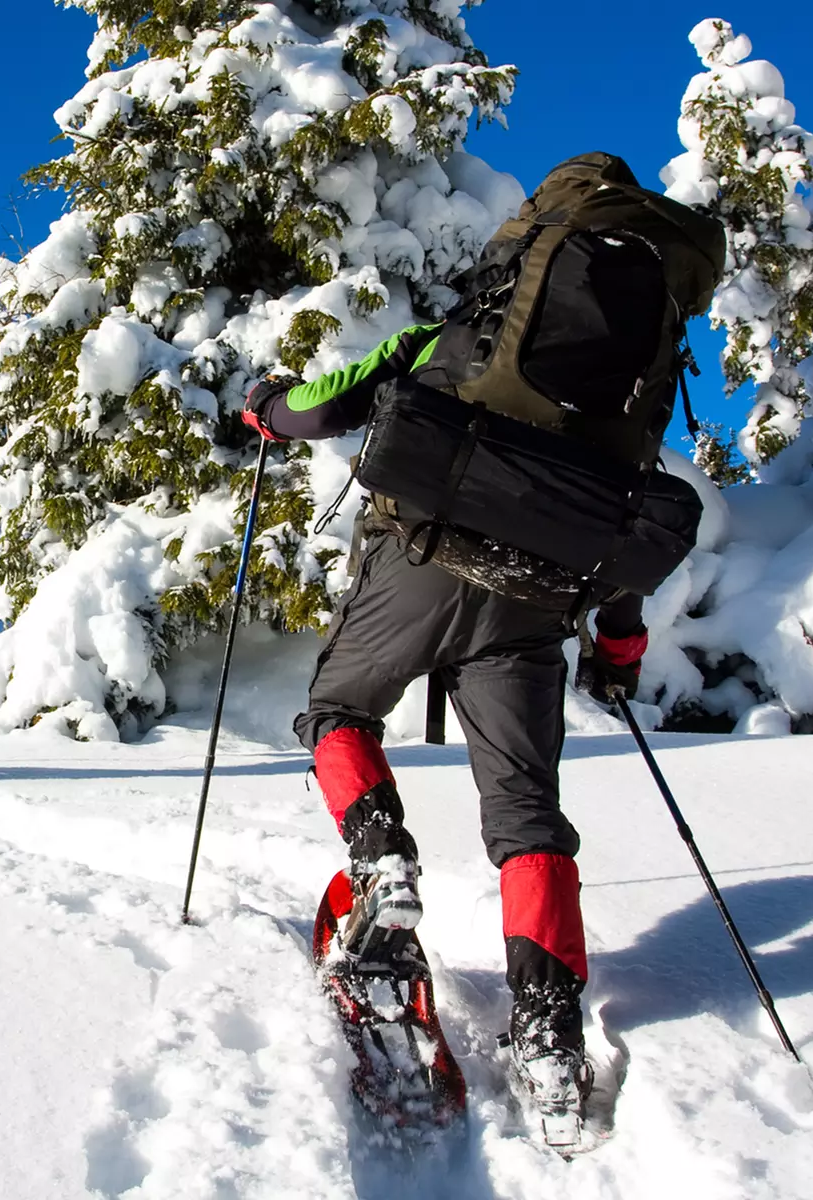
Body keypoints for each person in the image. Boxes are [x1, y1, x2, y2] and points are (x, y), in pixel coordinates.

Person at [242, 339, 650, 1124]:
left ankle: (380, 860)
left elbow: (321, 407)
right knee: (526, 812)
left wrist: (268, 406)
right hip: (534, 604)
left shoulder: (461, 332)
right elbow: (628, 531)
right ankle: (547, 1030)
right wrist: (619, 648)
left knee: (339, 712)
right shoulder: (620, 393)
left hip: (422, 560)